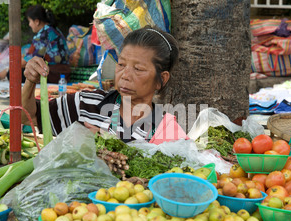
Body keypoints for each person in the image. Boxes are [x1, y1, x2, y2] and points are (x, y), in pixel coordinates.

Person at [22, 25, 186, 143]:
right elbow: (26, 117)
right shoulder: (86, 105)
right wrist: (30, 82)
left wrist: (106, 145)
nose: (125, 75)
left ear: (161, 79)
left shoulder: (165, 130)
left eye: (138, 69)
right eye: (121, 65)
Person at [0, 5, 69, 82]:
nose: (29, 24)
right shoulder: (54, 30)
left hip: (52, 74)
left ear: (37, 22)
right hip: (65, 73)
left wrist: (7, 70)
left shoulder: (43, 34)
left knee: (14, 73)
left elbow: (26, 61)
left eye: (30, 21)